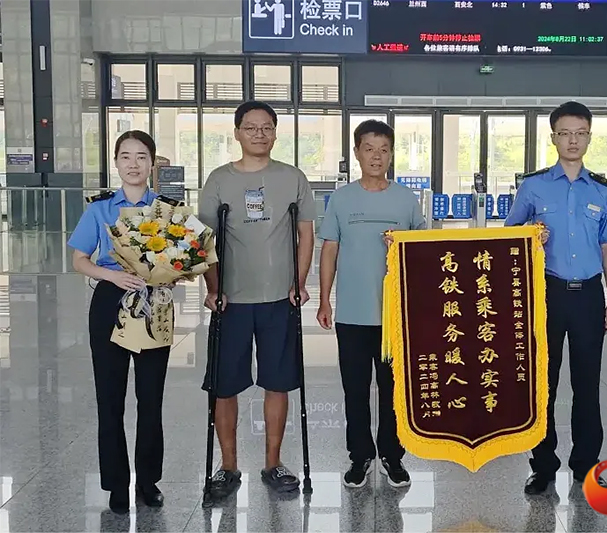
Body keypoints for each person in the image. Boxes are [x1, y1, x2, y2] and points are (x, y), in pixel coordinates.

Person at [198, 101, 316, 496]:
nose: (259, 134)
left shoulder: (292, 177)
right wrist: (213, 288)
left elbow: (305, 234)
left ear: (276, 133)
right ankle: (228, 467)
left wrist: (299, 282)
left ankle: (273, 463)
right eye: (250, 127)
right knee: (224, 385)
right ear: (237, 133)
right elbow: (205, 241)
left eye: (266, 127)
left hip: (279, 298)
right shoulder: (219, 180)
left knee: (277, 382)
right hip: (231, 301)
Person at [504, 101, 607, 494]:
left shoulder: (602, 191)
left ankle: (586, 465)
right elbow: (509, 236)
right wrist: (530, 237)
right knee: (544, 383)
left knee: (587, 386)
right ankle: (542, 465)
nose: (573, 140)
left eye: (580, 133)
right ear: (553, 137)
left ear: (589, 137)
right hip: (546, 295)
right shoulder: (534, 186)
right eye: (565, 133)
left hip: (588, 295)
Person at [316, 120, 425, 489]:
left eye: (383, 150)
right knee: (355, 389)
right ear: (357, 153)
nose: (376, 156)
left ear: (391, 155)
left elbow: (424, 252)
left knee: (395, 391)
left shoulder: (406, 200)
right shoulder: (342, 199)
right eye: (369, 149)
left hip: (396, 316)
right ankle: (360, 456)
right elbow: (329, 250)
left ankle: (393, 456)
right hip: (352, 314)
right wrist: (324, 299)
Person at [69, 130, 170, 513]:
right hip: (110, 300)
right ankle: (115, 484)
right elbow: (79, 259)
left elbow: (180, 256)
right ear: (116, 162)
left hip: (152, 302)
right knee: (110, 398)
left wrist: (173, 272)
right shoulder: (99, 209)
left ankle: (148, 481)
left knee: (151, 398)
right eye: (125, 156)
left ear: (152, 163)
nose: (133, 164)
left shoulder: (166, 210)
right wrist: (111, 275)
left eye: (141, 156)